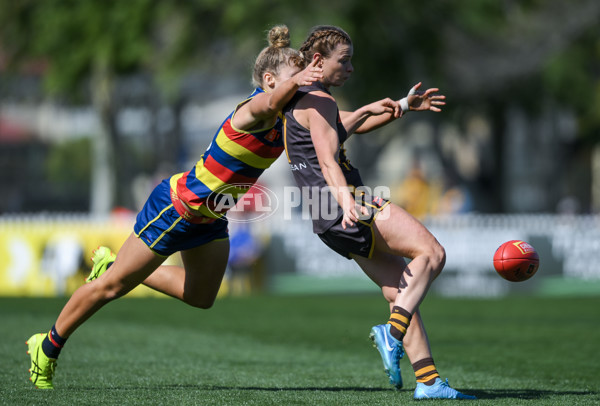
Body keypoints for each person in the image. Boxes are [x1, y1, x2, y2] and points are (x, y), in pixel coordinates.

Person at [25, 25, 323, 390]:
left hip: (211, 218)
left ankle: (112, 263)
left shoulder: (287, 116)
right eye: (299, 76)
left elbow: (337, 126)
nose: (307, 82)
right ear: (269, 79)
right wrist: (305, 77)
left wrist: (395, 108)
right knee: (111, 287)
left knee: (201, 297)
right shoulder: (255, 108)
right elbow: (271, 102)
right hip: (178, 207)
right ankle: (48, 345)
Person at [283, 25, 476, 400]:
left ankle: (429, 381)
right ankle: (393, 332)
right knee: (432, 254)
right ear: (319, 62)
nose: (351, 68)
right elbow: (327, 161)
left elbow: (349, 125)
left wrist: (402, 107)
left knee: (403, 289)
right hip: (347, 203)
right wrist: (348, 202)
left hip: (325, 219)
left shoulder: (303, 100)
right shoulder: (319, 101)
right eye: (345, 60)